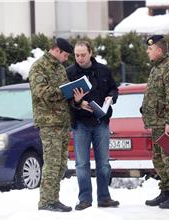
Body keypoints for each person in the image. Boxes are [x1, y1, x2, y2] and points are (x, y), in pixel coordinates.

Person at [66, 40, 119, 211]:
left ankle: (104, 198)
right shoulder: (69, 73)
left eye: (83, 55)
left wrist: (111, 97)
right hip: (80, 123)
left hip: (101, 122)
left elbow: (114, 89)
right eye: (76, 55)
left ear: (90, 53)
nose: (79, 58)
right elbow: (64, 100)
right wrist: (77, 103)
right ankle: (85, 199)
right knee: (81, 164)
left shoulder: (103, 70)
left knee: (103, 163)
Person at [28, 37, 74, 212]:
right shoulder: (39, 67)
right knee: (52, 163)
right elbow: (41, 92)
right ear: (56, 51)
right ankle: (46, 201)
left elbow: (63, 92)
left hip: (62, 121)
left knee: (61, 164)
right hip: (49, 123)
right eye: (65, 55)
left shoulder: (60, 68)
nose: (66, 59)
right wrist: (65, 92)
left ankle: (54, 199)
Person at [141, 35, 169, 209]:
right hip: (157, 123)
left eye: (150, 49)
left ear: (159, 50)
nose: (147, 51)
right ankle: (166, 191)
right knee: (159, 159)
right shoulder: (156, 68)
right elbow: (155, 95)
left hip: (168, 124)